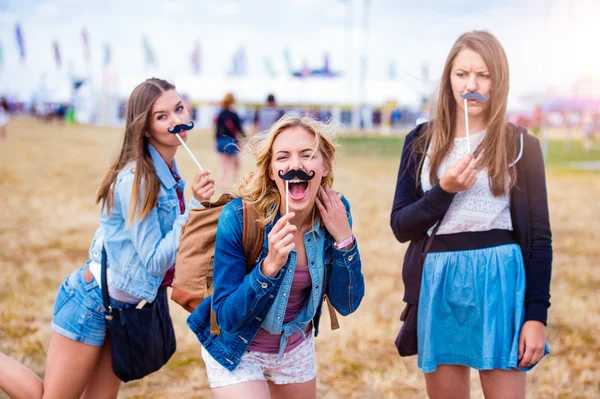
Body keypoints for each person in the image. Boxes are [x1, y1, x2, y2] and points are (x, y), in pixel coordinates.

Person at [0, 78, 215, 399]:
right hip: (90, 303)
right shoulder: (137, 180)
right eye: (162, 116)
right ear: (144, 127)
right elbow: (155, 258)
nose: (176, 121)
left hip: (122, 311)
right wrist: (195, 207)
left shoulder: (169, 171)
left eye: (179, 109)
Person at [390, 31, 552, 399]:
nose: (472, 85)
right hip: (439, 279)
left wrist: (536, 316)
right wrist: (444, 191)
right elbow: (401, 226)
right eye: (462, 74)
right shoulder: (420, 141)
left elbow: (540, 238)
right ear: (449, 79)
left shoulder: (521, 145)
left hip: (501, 279)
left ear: (499, 81)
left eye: (484, 75)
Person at [187, 115, 365, 399]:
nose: (295, 165)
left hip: (294, 349)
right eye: (283, 157)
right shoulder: (238, 217)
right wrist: (267, 269)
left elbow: (347, 304)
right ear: (271, 171)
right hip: (237, 349)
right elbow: (226, 318)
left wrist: (345, 240)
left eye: (307, 155)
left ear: (324, 166)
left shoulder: (336, 211)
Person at [215, 92, 245, 189]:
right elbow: (239, 129)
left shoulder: (220, 114)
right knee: (235, 164)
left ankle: (224, 182)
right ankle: (232, 181)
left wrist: (217, 141)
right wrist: (244, 137)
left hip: (221, 141)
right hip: (231, 141)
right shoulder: (234, 115)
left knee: (224, 164)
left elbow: (217, 129)